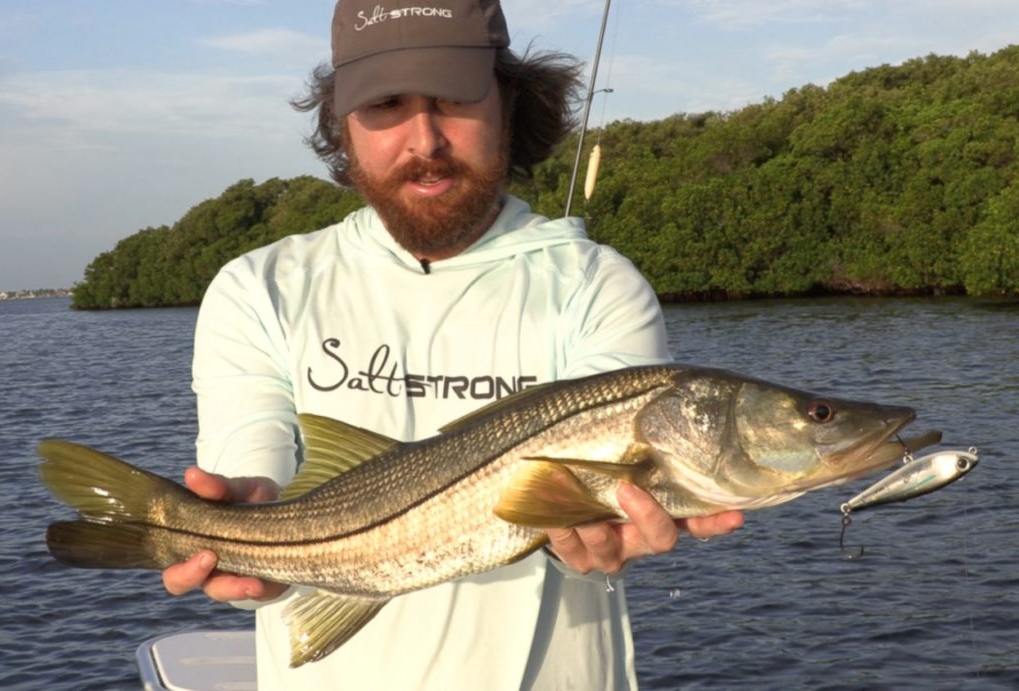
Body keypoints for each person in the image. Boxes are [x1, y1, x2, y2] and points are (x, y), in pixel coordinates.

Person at [163, 0, 743, 688]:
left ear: (510, 104)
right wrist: (243, 540)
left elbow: (601, 514)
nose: (425, 140)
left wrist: (596, 535)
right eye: (387, 104)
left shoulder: (596, 285)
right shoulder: (259, 287)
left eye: (455, 97)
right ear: (342, 124)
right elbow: (251, 466)